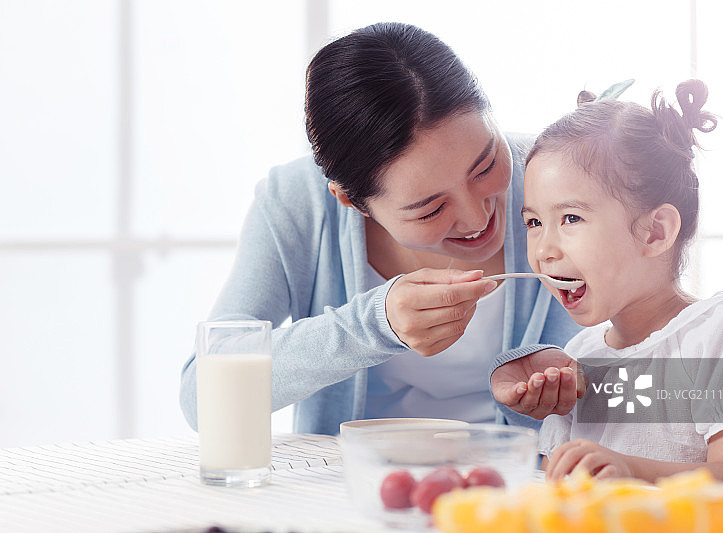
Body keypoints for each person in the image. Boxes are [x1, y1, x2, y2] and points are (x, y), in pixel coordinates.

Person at [179, 22, 583, 436]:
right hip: (345, 490)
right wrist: (374, 326)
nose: (478, 218)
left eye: (485, 166)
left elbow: (652, 395)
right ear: (352, 202)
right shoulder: (298, 205)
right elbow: (202, 398)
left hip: (525, 491)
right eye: (430, 209)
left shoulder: (561, 179)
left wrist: (581, 390)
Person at [491, 79, 723, 482]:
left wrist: (630, 470)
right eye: (534, 222)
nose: (543, 249)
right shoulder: (580, 355)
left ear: (655, 232)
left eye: (570, 218)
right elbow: (555, 482)